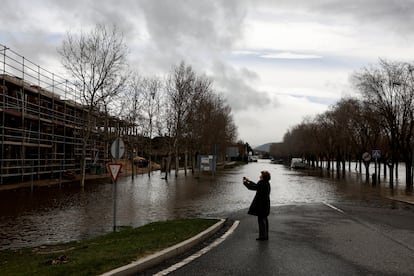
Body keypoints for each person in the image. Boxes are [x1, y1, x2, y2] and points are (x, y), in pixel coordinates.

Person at [243, 170, 271, 240]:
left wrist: (245, 183)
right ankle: (265, 235)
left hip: (261, 205)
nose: (260, 176)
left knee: (261, 220)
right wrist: (249, 181)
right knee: (264, 219)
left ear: (263, 177)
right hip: (266, 204)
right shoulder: (266, 183)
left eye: (261, 175)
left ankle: (262, 237)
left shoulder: (262, 183)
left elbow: (252, 187)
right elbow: (256, 186)